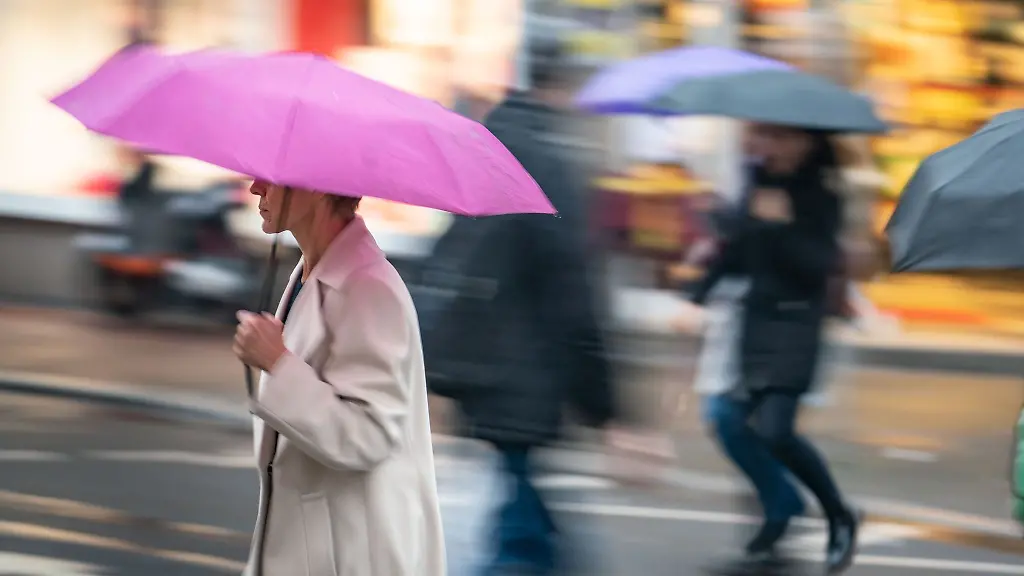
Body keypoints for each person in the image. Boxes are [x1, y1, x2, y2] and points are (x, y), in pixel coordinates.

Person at [422, 36, 614, 576]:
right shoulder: (550, 164)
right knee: (519, 544)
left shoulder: (488, 149)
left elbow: (448, 255)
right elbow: (572, 291)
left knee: (527, 525)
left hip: (478, 371)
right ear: (558, 87)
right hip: (524, 378)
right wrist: (606, 406)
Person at [233, 182, 446, 576]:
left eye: (271, 178)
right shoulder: (309, 272)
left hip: (350, 555)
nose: (255, 187)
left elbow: (367, 435)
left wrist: (277, 363)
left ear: (316, 187)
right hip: (309, 547)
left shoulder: (370, 289)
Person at [678, 124, 860, 575]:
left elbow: (817, 264)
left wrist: (781, 223)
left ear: (807, 144)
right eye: (771, 138)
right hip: (756, 324)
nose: (774, 147)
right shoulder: (758, 182)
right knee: (738, 423)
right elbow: (737, 253)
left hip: (798, 324)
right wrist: (695, 297)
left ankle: (838, 513)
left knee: (776, 429)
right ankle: (778, 512)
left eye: (785, 139)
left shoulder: (823, 193)